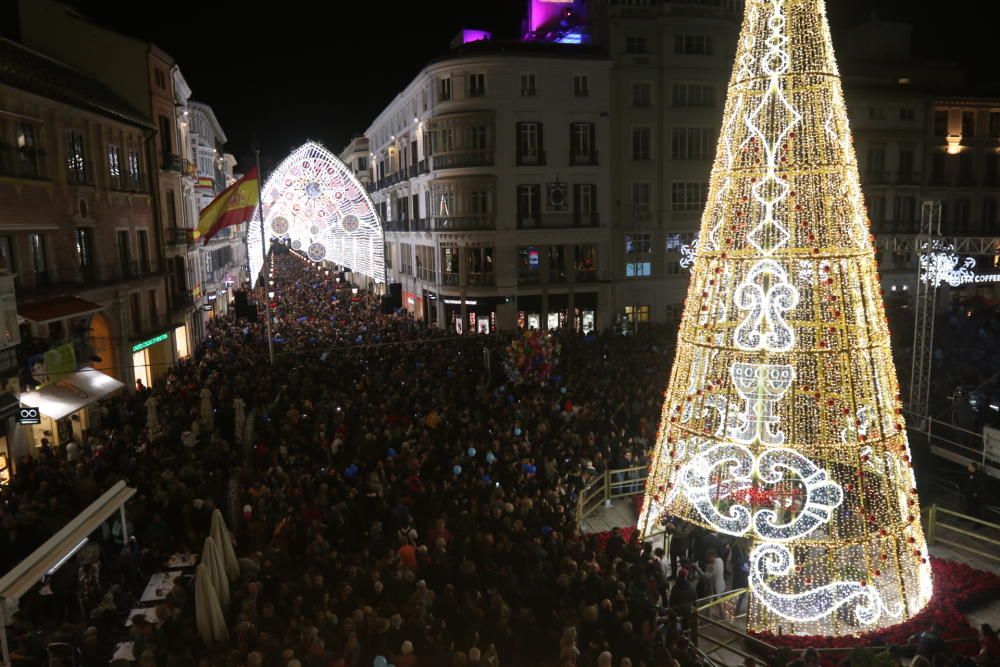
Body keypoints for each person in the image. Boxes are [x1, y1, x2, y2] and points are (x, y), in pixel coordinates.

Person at [964, 463, 988, 529]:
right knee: (969, 507)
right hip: (969, 494)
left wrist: (976, 493)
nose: (968, 467)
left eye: (970, 466)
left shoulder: (979, 475)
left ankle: (978, 524)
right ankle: (967, 518)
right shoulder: (969, 473)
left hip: (976, 496)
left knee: (977, 510)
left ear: (973, 467)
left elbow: (981, 486)